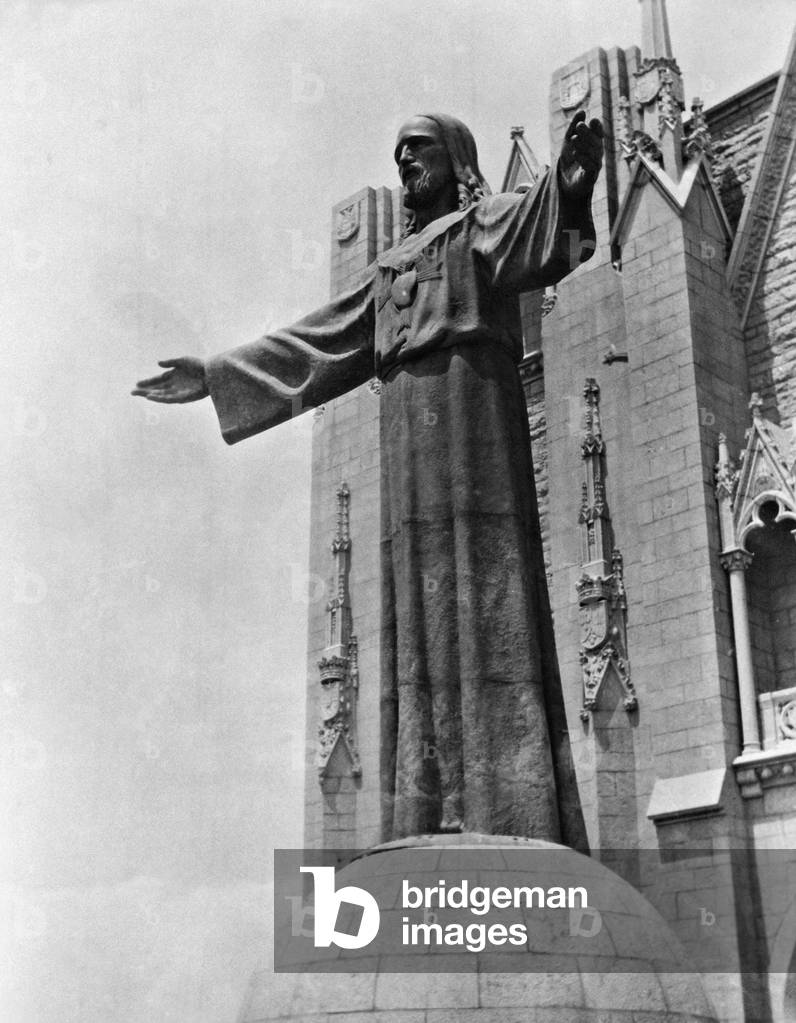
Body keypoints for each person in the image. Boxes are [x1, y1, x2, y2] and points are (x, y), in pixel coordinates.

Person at [134, 111, 604, 847]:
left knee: (491, 595)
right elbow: (315, 344)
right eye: (398, 155)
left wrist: (573, 187)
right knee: (417, 615)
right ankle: (430, 813)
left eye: (417, 150)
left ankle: (512, 813)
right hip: (409, 464)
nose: (405, 163)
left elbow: (556, 238)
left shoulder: (485, 227)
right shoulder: (388, 274)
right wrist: (217, 373)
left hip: (477, 430)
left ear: (454, 158)